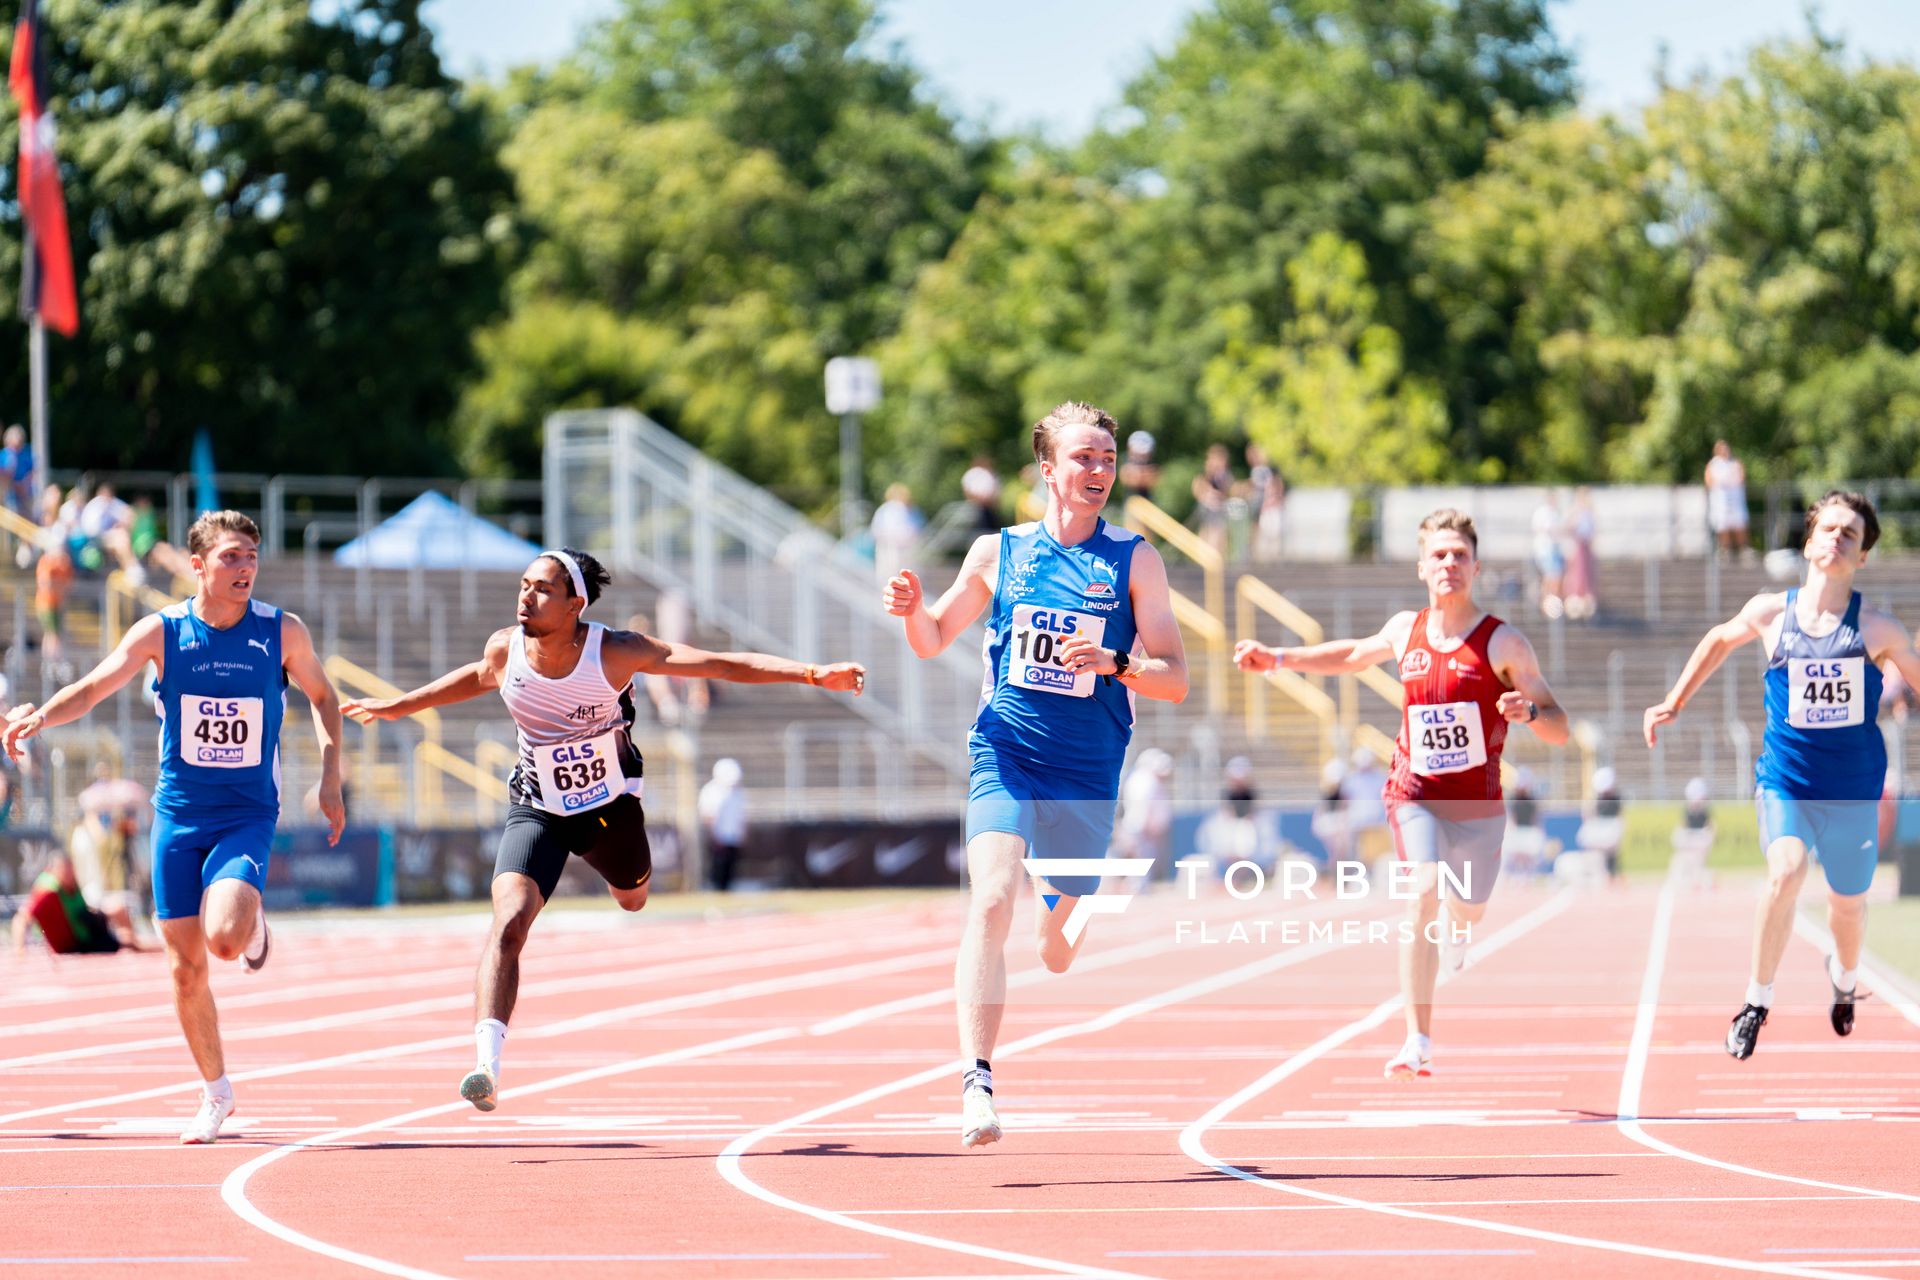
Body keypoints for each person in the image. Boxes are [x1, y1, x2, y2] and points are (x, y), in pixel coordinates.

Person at [341, 548, 865, 1114]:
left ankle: (626, 884)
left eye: (542, 589)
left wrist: (812, 673)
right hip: (537, 804)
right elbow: (476, 676)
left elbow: (717, 664)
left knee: (633, 897)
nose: (526, 596)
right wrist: (400, 706)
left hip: (609, 809)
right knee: (510, 919)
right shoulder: (505, 648)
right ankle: (485, 1065)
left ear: (575, 604)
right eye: (523, 585)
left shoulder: (615, 652)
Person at [883, 400, 1188, 1148]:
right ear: (1047, 469)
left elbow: (1176, 678)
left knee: (1060, 945)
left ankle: (1071, 908)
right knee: (990, 900)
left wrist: (1119, 664)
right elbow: (932, 640)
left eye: (1107, 460)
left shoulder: (1134, 558)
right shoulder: (999, 552)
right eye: (1083, 458)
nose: (1098, 471)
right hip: (1006, 751)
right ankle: (975, 1082)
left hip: (1088, 771)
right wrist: (913, 611)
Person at [1, 510, 347, 1143]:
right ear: (198, 566)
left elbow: (323, 696)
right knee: (186, 971)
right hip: (179, 816)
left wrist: (330, 775)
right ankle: (216, 1093)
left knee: (220, 939)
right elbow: (94, 687)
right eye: (230, 558)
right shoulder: (163, 632)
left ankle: (248, 917)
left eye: (250, 557)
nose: (244, 569)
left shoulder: (281, 632)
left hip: (246, 814)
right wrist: (40, 719)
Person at [1235, 508, 1569, 1080]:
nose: (1449, 564)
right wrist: (1280, 660)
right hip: (1412, 790)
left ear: (1476, 566)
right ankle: (1417, 1038)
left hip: (1478, 805)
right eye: (1438, 555)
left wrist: (1531, 711)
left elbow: (1559, 726)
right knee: (1423, 892)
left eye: (1459, 555)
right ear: (1422, 567)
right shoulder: (1404, 630)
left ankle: (1461, 931)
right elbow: (1349, 654)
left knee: (1469, 907)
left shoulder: (1503, 643)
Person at [1645, 490, 1920, 1059]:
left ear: (1863, 555)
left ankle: (1844, 981)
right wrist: (1674, 701)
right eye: (1830, 529)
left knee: (1848, 905)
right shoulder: (1772, 612)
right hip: (1786, 779)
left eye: (1851, 534)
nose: (1839, 539)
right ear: (1810, 540)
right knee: (1786, 873)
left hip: (1853, 791)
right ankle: (1756, 1002)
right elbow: (1720, 639)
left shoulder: (1877, 628)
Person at [11, 853, 149, 954]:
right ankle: (136, 946)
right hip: (76, 943)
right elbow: (21, 919)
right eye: (65, 870)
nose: (70, 874)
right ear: (54, 871)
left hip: (86, 926)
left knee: (118, 908)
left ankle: (137, 943)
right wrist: (20, 949)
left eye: (71, 869)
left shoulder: (72, 885)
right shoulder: (47, 893)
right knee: (125, 941)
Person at [1116, 748, 1175, 882]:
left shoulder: (1147, 780)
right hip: (1142, 828)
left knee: (1143, 860)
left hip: (1143, 828)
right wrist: (1148, 824)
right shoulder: (1144, 780)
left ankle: (1138, 888)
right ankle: (1137, 890)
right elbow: (1143, 805)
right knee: (1141, 860)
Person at [698, 757, 748, 891]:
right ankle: (716, 889)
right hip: (719, 836)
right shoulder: (711, 791)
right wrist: (714, 835)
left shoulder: (738, 792)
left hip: (733, 836)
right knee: (718, 867)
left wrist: (742, 833)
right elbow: (709, 815)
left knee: (731, 867)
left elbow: (740, 815)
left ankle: (726, 889)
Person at [1577, 766, 1626, 883]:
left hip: (1610, 827)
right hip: (1598, 827)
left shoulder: (1616, 798)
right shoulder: (1595, 799)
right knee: (1590, 849)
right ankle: (1590, 874)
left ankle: (1612, 875)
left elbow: (1620, 815)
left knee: (1612, 853)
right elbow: (1587, 813)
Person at [870, 483, 923, 583]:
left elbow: (917, 527)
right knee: (888, 575)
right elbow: (877, 530)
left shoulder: (911, 509)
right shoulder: (886, 510)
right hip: (888, 548)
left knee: (907, 575)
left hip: (908, 549)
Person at [1705, 440, 1749, 557]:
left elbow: (1741, 477)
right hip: (1721, 501)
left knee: (1739, 524)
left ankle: (1743, 549)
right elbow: (1709, 481)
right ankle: (1725, 549)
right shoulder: (1713, 465)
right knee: (1722, 525)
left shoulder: (1735, 463)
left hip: (1735, 500)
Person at [1191, 443, 1235, 556]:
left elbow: (1228, 491)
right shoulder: (1205, 475)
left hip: (1218, 513)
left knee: (1218, 539)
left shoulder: (1224, 476)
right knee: (1206, 538)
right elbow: (1197, 488)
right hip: (1207, 513)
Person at [1246, 443, 1286, 563]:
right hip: (1264, 506)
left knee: (1270, 534)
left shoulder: (1265, 470)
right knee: (1264, 533)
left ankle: (1266, 558)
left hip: (1267, 506)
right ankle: (1261, 557)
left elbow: (1267, 486)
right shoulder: (1261, 470)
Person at [1563, 488, 1598, 620]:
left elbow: (1593, 530)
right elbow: (1569, 527)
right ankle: (1575, 602)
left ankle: (1585, 603)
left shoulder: (1589, 512)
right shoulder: (1576, 512)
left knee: (1586, 576)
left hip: (1586, 545)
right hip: (1579, 545)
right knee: (1577, 575)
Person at [1532, 494, 1566, 619]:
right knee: (1549, 578)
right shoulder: (1542, 512)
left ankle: (1553, 607)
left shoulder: (1555, 514)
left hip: (1554, 549)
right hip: (1546, 550)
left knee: (1556, 578)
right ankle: (1546, 607)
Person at [961, 456, 1002, 536]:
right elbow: (967, 491)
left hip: (989, 507)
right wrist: (979, 499)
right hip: (976, 507)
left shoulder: (989, 474)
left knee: (993, 530)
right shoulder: (972, 474)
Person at [1119, 431, 1159, 504]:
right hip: (1131, 503)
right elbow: (1126, 479)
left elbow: (1153, 480)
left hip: (1147, 503)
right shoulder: (1125, 461)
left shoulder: (1152, 464)